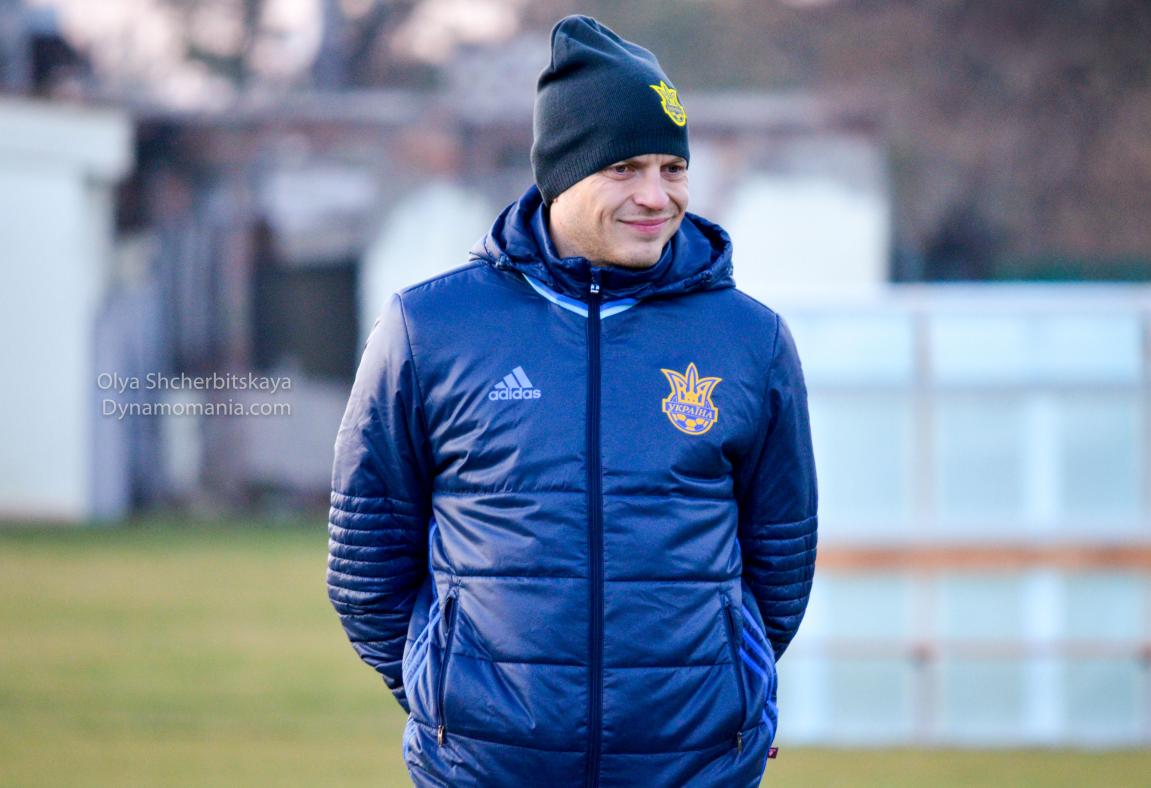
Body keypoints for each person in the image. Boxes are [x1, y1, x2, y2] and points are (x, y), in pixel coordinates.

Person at [327, 14, 817, 787]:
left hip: (692, 769)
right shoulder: (430, 329)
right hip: (485, 771)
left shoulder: (749, 340)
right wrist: (453, 699)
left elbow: (781, 557)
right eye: (624, 167)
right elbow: (367, 557)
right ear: (561, 171)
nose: (656, 196)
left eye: (672, 167)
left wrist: (722, 694)